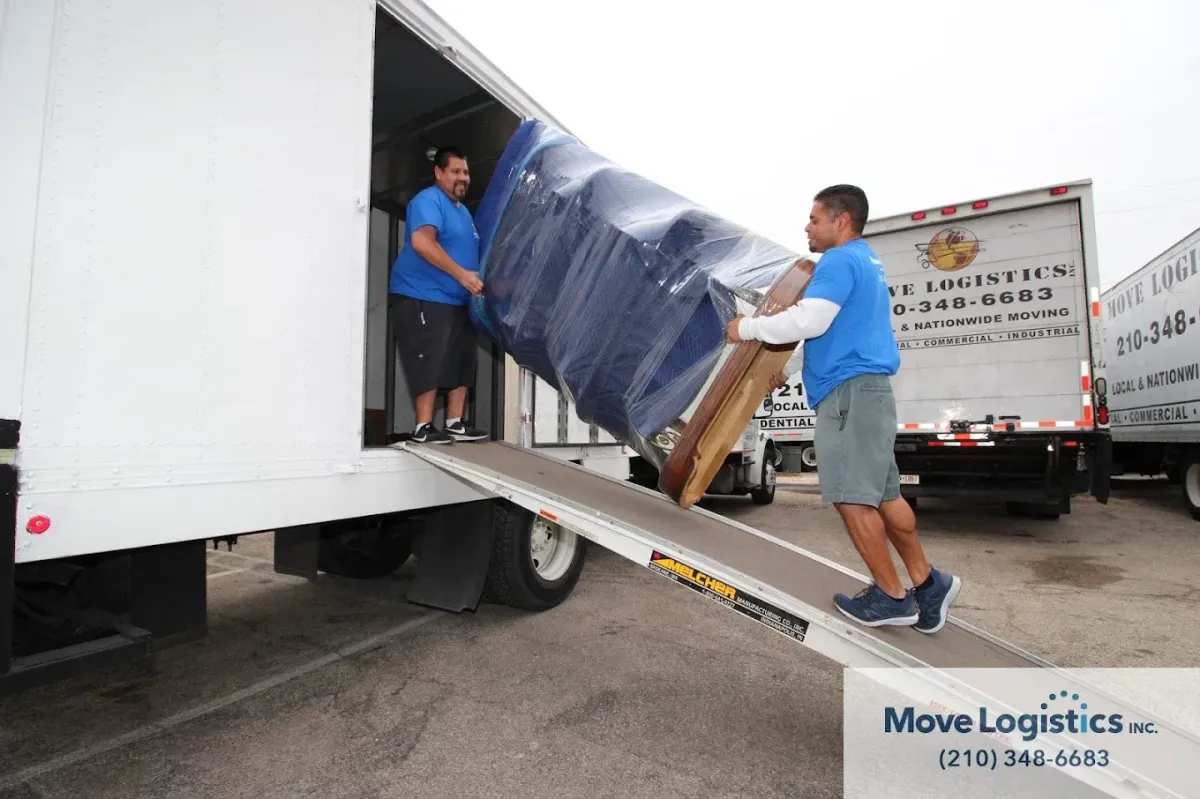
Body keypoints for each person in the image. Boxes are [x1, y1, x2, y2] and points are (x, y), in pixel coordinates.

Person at [726, 184, 960, 633]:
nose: (807, 227)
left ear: (841, 220)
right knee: (885, 495)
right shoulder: (866, 261)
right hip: (869, 393)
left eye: (814, 219)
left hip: (849, 396)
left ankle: (892, 597)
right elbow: (832, 330)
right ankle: (928, 584)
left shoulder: (837, 259)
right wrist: (791, 369)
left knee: (851, 499)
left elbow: (811, 320)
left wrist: (747, 328)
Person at [388, 146, 489, 445]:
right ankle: (422, 427)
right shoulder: (428, 201)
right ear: (439, 172)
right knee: (428, 358)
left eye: (466, 172)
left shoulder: (464, 212)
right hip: (422, 295)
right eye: (456, 171)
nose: (463, 177)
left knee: (461, 361)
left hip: (457, 299)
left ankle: (455, 422)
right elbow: (422, 242)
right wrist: (462, 275)